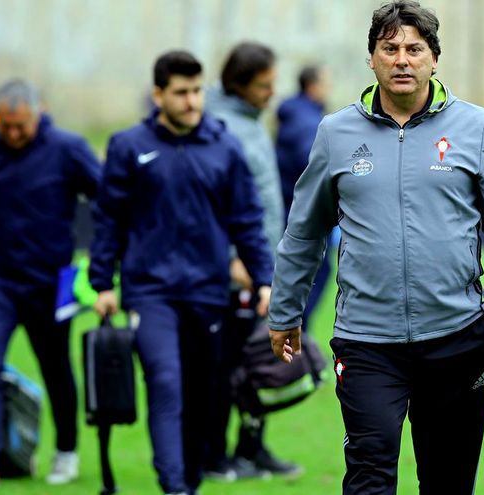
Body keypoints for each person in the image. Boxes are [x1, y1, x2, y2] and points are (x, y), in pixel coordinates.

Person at [268, 1, 484, 493]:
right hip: (367, 340)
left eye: (415, 49)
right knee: (369, 476)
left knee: (448, 481)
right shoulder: (335, 133)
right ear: (372, 58)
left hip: (457, 336)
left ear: (434, 59)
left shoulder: (478, 129)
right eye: (390, 49)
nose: (402, 59)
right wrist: (285, 312)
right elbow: (304, 232)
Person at [89, 50, 275, 495]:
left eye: (196, 91)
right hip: (149, 291)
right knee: (166, 380)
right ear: (158, 95)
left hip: (209, 292)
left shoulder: (225, 146)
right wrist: (102, 283)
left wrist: (264, 278)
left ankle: (188, 480)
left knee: (201, 395)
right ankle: (174, 486)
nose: (192, 102)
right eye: (181, 93)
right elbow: (108, 218)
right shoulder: (128, 146)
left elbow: (246, 220)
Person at [0, 79, 101, 488]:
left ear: (37, 113)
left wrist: (100, 259)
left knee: (56, 368)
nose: (12, 133)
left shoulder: (67, 148)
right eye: (5, 125)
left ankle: (66, 450)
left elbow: (108, 199)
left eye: (20, 125)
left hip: (49, 282)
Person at [204, 41, 302, 480]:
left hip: (261, 269)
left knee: (258, 363)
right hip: (234, 275)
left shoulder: (249, 123)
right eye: (264, 85)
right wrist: (233, 261)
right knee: (226, 368)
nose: (272, 93)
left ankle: (252, 448)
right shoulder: (220, 128)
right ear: (240, 85)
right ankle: (214, 456)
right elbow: (211, 204)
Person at [276, 64, 332, 333]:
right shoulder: (307, 122)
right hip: (301, 215)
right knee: (314, 272)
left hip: (289, 210)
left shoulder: (296, 115)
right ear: (312, 86)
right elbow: (311, 164)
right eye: (325, 83)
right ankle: (298, 331)